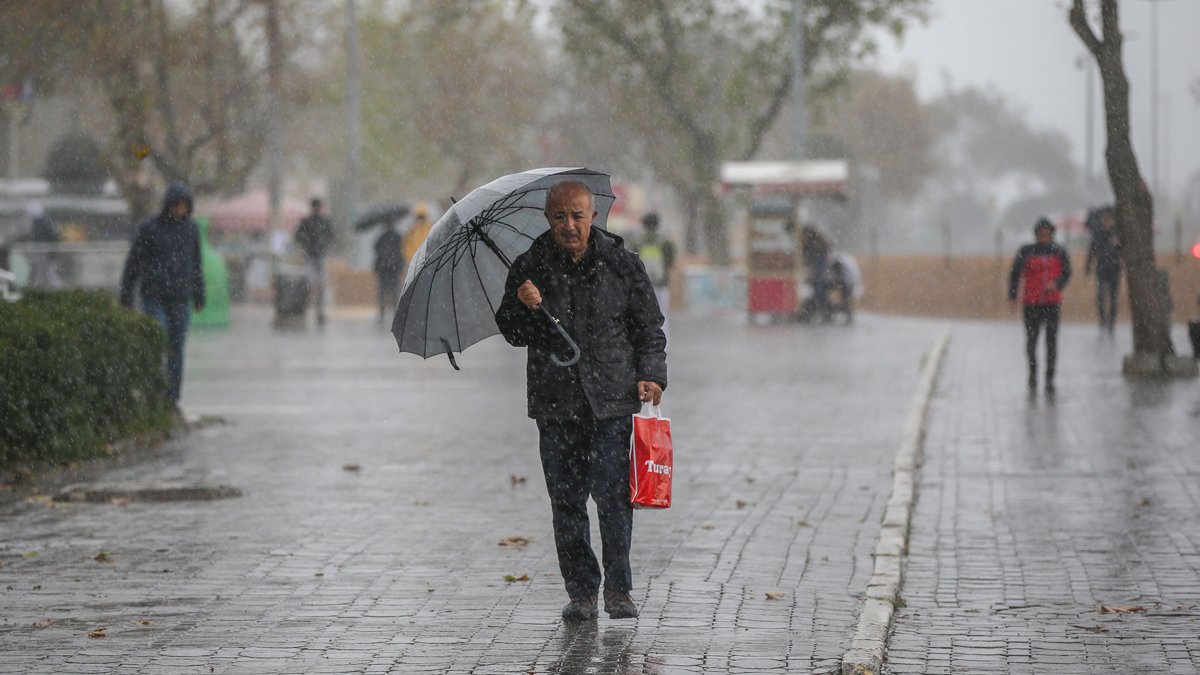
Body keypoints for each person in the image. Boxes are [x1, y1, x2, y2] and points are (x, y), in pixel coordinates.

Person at [495, 180, 667, 623]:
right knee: (566, 501)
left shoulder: (622, 264)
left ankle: (619, 589)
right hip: (556, 405)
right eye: (559, 217)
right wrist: (524, 306)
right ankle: (582, 592)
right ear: (548, 219)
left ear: (593, 216)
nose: (568, 225)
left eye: (577, 216)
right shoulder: (529, 267)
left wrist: (651, 373)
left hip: (612, 401)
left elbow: (648, 326)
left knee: (613, 498)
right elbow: (513, 332)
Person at [119, 182, 206, 408]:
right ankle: (154, 393)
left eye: (184, 205)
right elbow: (134, 263)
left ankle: (172, 397)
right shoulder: (149, 228)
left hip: (180, 297)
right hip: (154, 295)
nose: (180, 209)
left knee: (177, 348)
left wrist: (199, 294)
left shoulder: (191, 230)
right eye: (176, 204)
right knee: (159, 340)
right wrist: (127, 294)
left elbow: (196, 264)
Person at [1007, 218, 1071, 393]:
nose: (1044, 235)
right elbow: (1015, 274)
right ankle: (1032, 376)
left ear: (1052, 233)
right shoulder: (1026, 251)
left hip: (1052, 303)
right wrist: (1013, 297)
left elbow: (1067, 272)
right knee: (1031, 342)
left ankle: (1050, 378)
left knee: (1051, 342)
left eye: (1047, 232)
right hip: (1031, 303)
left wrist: (1057, 283)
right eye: (1040, 232)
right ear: (1036, 234)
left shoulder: (1059, 251)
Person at [294, 197, 336, 325]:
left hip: (320, 256)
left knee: (320, 286)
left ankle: (319, 311)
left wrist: (323, 242)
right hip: (311, 257)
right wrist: (307, 241)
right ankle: (306, 309)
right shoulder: (307, 222)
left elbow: (332, 236)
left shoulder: (324, 221)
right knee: (310, 284)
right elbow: (298, 236)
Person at [636, 212, 676, 326]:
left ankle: (649, 342)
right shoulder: (665, 241)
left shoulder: (638, 241)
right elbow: (670, 260)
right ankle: (664, 342)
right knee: (663, 315)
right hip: (662, 284)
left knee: (645, 316)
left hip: (643, 285)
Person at [1084, 207, 1120, 333]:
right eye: (1106, 219)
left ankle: (1111, 322)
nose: (1108, 222)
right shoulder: (1098, 234)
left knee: (1113, 298)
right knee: (1100, 296)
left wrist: (1117, 244)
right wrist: (1088, 266)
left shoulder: (1117, 234)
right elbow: (1092, 251)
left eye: (1110, 219)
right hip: (1101, 269)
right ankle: (1102, 321)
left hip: (1115, 269)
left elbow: (1123, 251)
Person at [372, 220, 405, 325]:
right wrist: (400, 265)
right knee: (394, 288)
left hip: (383, 267)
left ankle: (382, 310)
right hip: (394, 267)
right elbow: (401, 250)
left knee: (382, 289)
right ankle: (395, 310)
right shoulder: (398, 236)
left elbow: (375, 248)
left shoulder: (381, 237)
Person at [27, 203, 62, 289]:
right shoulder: (45, 221)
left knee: (45, 271)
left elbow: (42, 237)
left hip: (44, 250)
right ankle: (42, 287)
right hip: (46, 250)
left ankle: (44, 287)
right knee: (46, 271)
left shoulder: (41, 223)